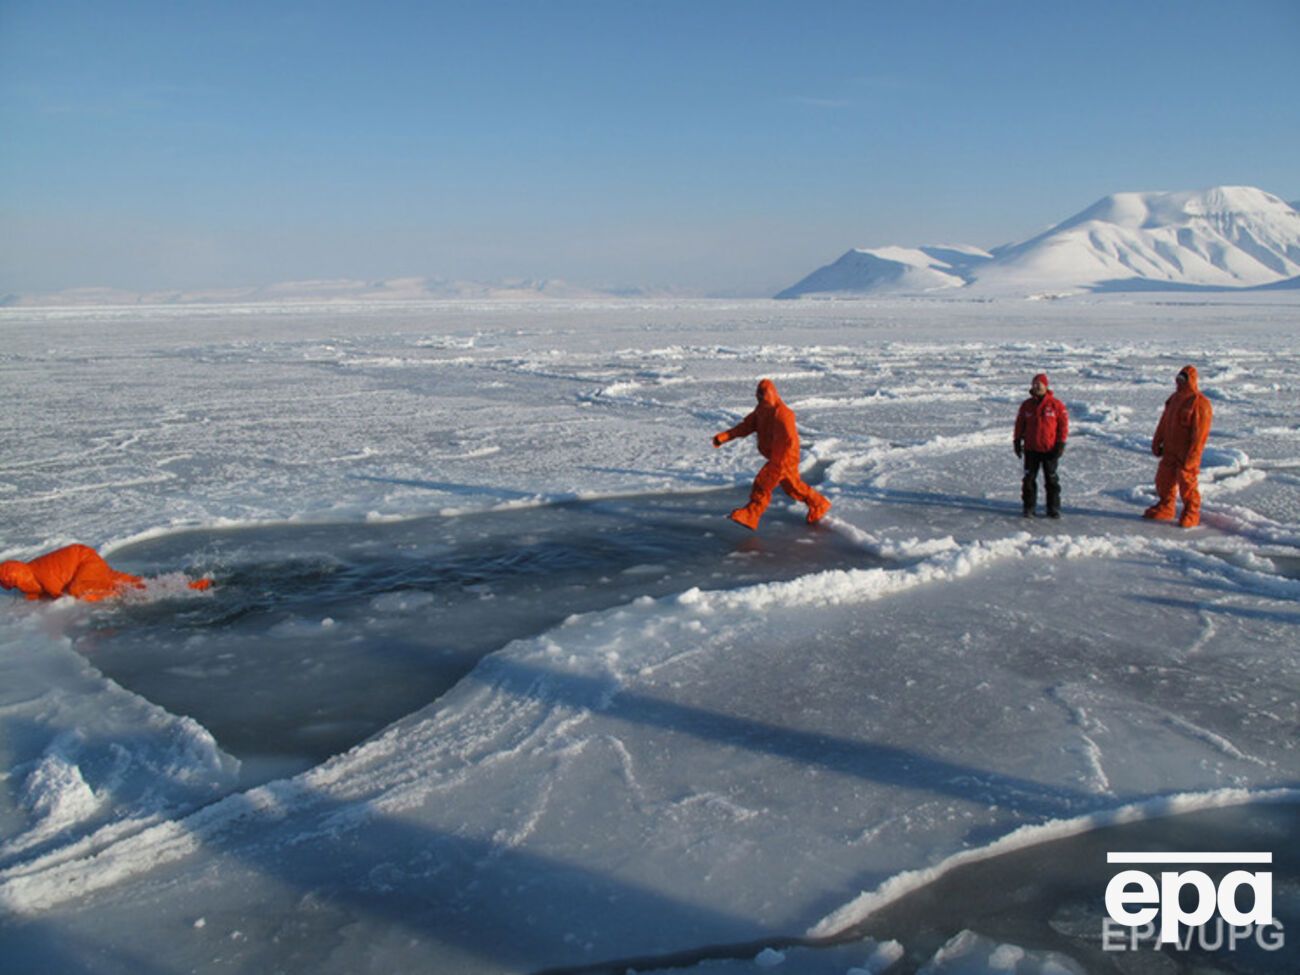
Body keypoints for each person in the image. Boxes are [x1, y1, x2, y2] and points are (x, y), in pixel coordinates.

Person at [713, 378, 831, 530]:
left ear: (771, 393)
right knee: (793, 487)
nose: (760, 397)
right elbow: (746, 427)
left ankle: (751, 515)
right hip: (778, 455)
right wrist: (723, 437)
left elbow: (790, 440)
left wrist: (781, 462)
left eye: (763, 395)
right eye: (759, 395)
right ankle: (819, 504)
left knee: (763, 483)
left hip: (784, 457)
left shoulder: (783, 414)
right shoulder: (761, 411)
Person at [0, 543, 211, 602]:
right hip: (82, 561)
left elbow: (55, 591)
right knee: (126, 582)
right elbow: (39, 590)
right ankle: (187, 585)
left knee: (81, 591)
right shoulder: (33, 574)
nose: (13, 587)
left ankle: (126, 596)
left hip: (84, 560)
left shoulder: (42, 575)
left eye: (11, 582)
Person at [1144, 364, 1213, 528]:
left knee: (1187, 483)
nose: (1180, 382)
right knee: (1164, 479)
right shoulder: (1174, 399)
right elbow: (1164, 421)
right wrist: (1157, 440)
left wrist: (1193, 456)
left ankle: (1191, 512)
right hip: (1170, 450)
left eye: (1183, 379)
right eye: (1178, 379)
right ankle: (1166, 506)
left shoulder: (1199, 403)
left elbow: (1200, 435)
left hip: (1186, 452)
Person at [1013, 373, 1069, 518]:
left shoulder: (1056, 405)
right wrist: (1017, 441)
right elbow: (1020, 424)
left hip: (1049, 449)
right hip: (1031, 449)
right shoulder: (1026, 405)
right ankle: (1029, 507)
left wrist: (1060, 443)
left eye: (1039, 384)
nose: (1037, 386)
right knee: (1029, 480)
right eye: (1034, 384)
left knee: (1051, 480)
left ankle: (1053, 508)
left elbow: (1063, 426)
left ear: (1046, 386)